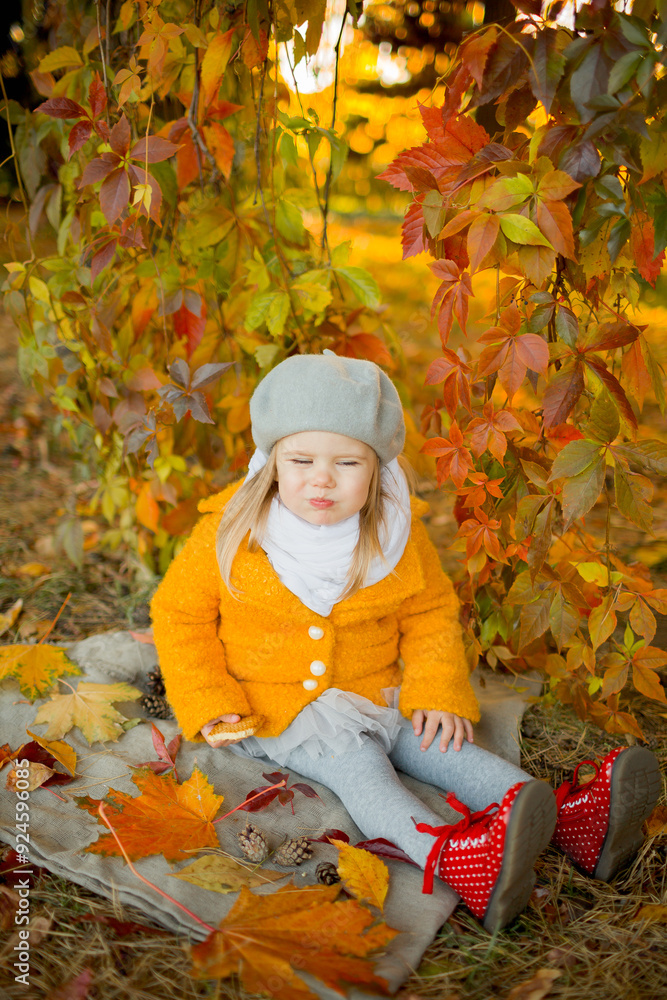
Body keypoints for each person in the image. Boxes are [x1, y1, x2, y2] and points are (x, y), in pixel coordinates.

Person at [151, 351, 661, 932]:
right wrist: (210, 698)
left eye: (347, 462)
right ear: (270, 462)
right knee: (362, 767)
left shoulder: (393, 535)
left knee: (446, 748)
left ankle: (566, 819)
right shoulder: (229, 535)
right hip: (277, 708)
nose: (322, 478)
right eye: (301, 460)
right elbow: (178, 616)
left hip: (378, 691)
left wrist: (436, 688)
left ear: (377, 469)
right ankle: (452, 859)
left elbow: (430, 612)